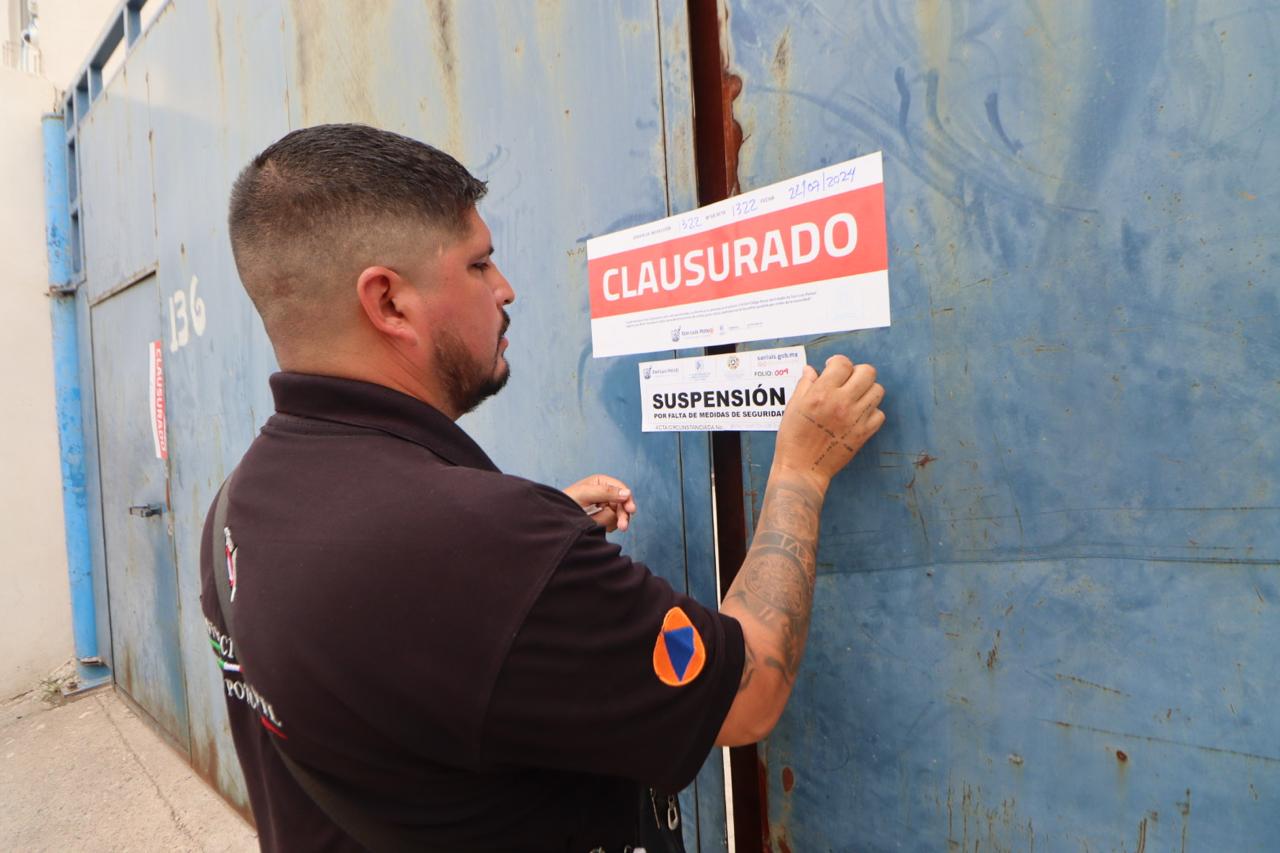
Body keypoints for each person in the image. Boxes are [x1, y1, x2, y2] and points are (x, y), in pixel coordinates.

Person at [200, 123, 886, 853]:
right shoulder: (482, 552)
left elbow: (404, 644)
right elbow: (748, 696)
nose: (506, 288)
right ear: (389, 302)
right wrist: (800, 473)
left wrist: (533, 561)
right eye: (479, 264)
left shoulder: (238, 507)